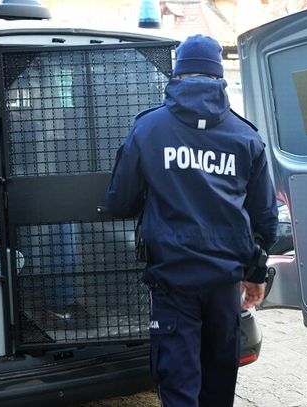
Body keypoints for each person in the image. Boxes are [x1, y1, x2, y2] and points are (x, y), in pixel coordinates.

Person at [105, 34, 278, 407]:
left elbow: (120, 201)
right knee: (218, 385)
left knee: (179, 383)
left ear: (178, 74)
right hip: (225, 282)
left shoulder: (149, 129)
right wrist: (255, 274)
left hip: (172, 279)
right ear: (219, 77)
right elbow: (265, 219)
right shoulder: (246, 136)